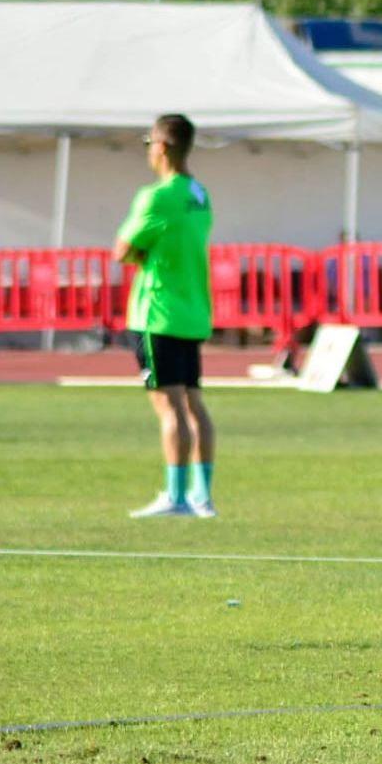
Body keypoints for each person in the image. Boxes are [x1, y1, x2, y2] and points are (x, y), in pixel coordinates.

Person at [115, 114, 217, 519]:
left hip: (158, 312)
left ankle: (175, 497)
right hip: (192, 310)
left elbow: (122, 249)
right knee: (193, 402)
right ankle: (202, 495)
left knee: (168, 405)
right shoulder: (199, 193)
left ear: (161, 147)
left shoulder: (156, 196)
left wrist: (142, 254)